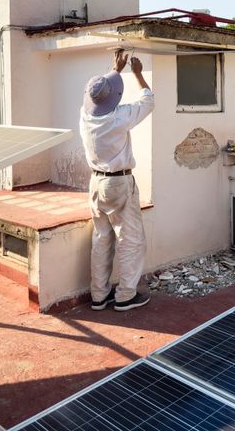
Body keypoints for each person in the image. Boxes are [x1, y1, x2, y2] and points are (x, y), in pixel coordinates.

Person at [80, 49, 154, 311]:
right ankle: (125, 296)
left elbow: (101, 94)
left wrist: (115, 69)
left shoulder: (85, 116)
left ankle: (99, 296)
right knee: (130, 240)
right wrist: (136, 73)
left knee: (102, 239)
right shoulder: (119, 117)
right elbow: (148, 100)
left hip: (96, 184)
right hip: (119, 183)